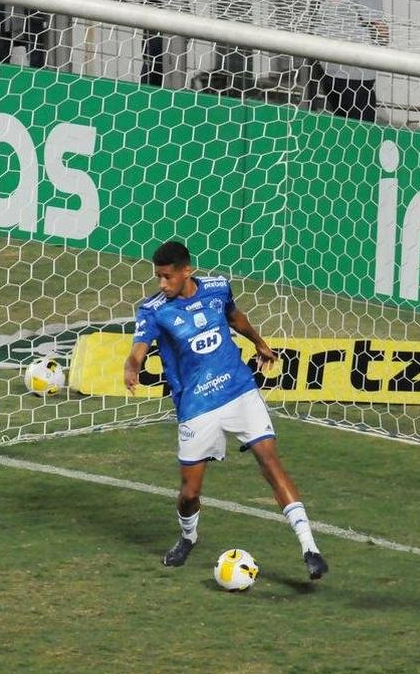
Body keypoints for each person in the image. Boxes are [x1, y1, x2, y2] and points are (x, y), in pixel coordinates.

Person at [124, 242, 329, 581]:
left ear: (187, 271)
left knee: (270, 462)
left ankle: (310, 549)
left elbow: (234, 316)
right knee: (189, 493)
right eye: (158, 277)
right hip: (196, 406)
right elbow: (139, 349)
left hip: (238, 389)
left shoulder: (218, 287)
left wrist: (259, 342)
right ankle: (188, 537)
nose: (162, 284)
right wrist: (132, 365)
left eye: (167, 276)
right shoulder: (153, 310)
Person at [311, 0, 387, 121]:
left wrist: (373, 59)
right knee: (340, 129)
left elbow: (380, 29)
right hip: (332, 72)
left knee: (359, 131)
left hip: (353, 78)